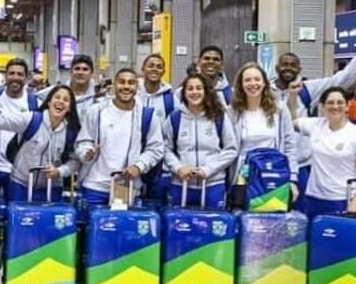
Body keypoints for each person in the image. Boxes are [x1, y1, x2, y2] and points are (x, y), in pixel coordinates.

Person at [272, 20, 356, 209]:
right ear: (277, 68)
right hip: (271, 164)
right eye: (284, 65)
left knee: (301, 219)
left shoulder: (309, 90)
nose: (288, 68)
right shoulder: (263, 91)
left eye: (293, 65)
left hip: (302, 166)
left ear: (299, 69)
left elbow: (343, 77)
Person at [0, 84, 83, 203]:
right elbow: (0, 120)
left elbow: (75, 161)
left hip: (52, 188)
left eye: (66, 100)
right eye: (57, 97)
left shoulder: (70, 132)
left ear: (70, 108)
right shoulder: (32, 120)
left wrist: (59, 171)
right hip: (20, 185)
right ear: (48, 102)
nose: (60, 101)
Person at [74, 68, 166, 212]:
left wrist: (139, 166)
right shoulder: (96, 111)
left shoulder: (147, 116)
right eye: (121, 82)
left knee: (122, 231)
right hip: (94, 185)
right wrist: (86, 152)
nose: (126, 87)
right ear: (114, 85)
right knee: (92, 230)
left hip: (126, 187)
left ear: (137, 87)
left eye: (131, 83)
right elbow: (83, 141)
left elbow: (156, 149)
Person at [288, 86, 356, 219]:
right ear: (322, 107)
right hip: (313, 198)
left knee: (340, 239)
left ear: (347, 106)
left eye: (340, 102)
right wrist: (293, 95)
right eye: (330, 103)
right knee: (314, 238)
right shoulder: (316, 126)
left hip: (343, 200)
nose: (335, 106)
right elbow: (290, 121)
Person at [227, 62, 299, 208]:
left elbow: (289, 145)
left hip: (273, 175)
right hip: (243, 179)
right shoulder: (232, 112)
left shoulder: (279, 109)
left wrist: (292, 179)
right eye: (247, 80)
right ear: (240, 85)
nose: (253, 84)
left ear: (265, 83)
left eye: (257, 79)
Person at [163, 73, 239, 209]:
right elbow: (166, 149)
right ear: (184, 92)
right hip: (181, 184)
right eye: (190, 88)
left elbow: (231, 149)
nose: (194, 92)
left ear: (206, 91)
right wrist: (179, 168)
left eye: (199, 88)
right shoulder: (174, 118)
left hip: (213, 184)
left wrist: (208, 169)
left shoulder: (219, 117)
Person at [0, 57, 39, 200]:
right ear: (5, 75)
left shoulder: (33, 103)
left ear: (26, 77)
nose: (15, 77)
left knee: (16, 214)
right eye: (12, 73)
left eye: (20, 74)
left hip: (19, 173)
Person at [135, 53, 176, 203]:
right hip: (133, 161)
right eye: (151, 65)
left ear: (164, 71)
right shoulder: (133, 95)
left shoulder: (171, 99)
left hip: (160, 164)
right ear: (142, 69)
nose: (155, 69)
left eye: (159, 67)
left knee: (156, 206)